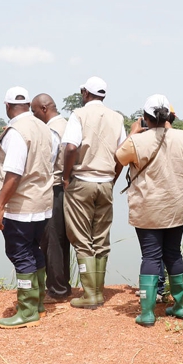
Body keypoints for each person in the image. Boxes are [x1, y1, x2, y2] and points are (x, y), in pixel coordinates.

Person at [115, 95, 183, 327]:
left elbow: (119, 157)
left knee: (151, 256)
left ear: (145, 118)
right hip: (176, 207)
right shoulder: (182, 137)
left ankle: (148, 313)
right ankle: (179, 307)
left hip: (148, 209)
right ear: (169, 116)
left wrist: (133, 132)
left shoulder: (136, 141)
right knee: (174, 253)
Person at [0, 87, 56, 328]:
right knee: (34, 250)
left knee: (20, 254)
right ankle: (37, 303)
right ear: (28, 105)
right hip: (43, 204)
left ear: (7, 106)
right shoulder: (43, 127)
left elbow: (14, 173)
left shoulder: (16, 132)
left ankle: (27, 310)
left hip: (21, 207)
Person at [61, 77, 126, 309]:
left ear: (84, 92)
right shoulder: (117, 117)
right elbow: (122, 154)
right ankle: (98, 292)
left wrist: (66, 176)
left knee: (81, 238)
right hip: (106, 182)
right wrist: (113, 177)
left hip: (82, 180)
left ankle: (89, 295)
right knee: (101, 238)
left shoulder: (78, 115)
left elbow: (70, 147)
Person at [30, 93, 72, 303]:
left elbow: (48, 160)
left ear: (44, 109)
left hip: (53, 187)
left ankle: (56, 289)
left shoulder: (51, 130)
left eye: (34, 111)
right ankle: (63, 285)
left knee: (52, 240)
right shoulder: (67, 124)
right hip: (67, 188)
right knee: (62, 239)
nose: (33, 115)